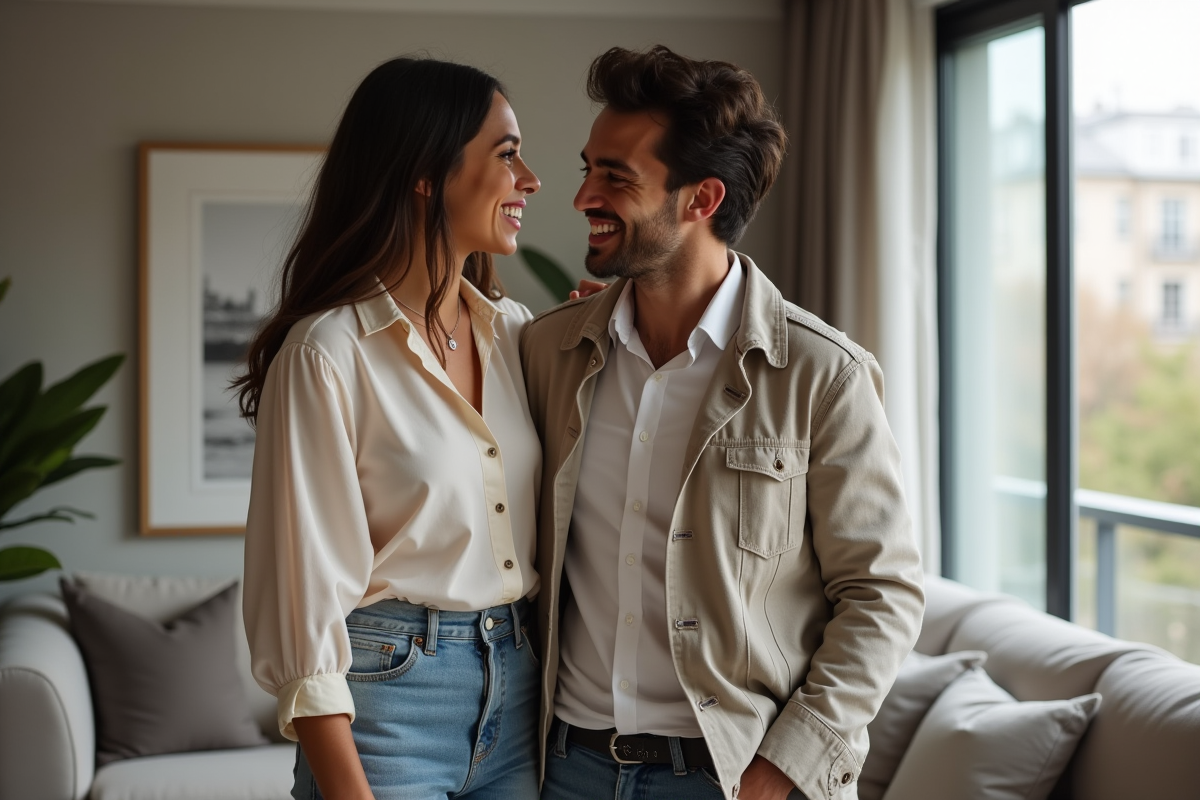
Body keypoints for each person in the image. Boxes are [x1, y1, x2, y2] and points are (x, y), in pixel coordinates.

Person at [521, 46, 926, 800]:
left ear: (701, 199)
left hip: (731, 777)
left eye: (615, 175)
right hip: (564, 768)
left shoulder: (821, 373)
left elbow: (882, 593)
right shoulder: (549, 350)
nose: (583, 197)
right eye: (588, 169)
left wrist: (785, 768)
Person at [237, 57, 543, 800]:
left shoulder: (517, 335)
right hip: (387, 702)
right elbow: (302, 605)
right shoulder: (328, 353)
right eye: (506, 154)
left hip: (522, 695)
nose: (529, 179)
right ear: (425, 173)